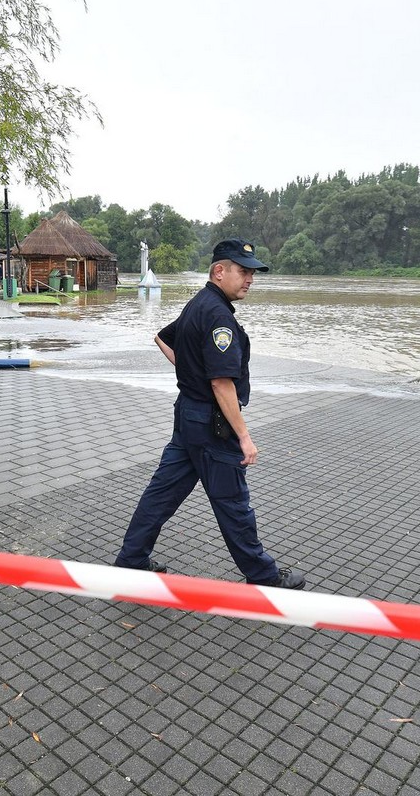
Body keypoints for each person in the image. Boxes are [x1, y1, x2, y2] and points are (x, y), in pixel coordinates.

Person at [114, 239, 305, 590]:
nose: (250, 279)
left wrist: (190, 373)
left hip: (188, 417)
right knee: (233, 503)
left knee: (161, 493)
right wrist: (244, 437)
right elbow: (221, 383)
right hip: (212, 426)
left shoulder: (198, 304)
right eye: (243, 271)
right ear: (220, 271)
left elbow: (162, 337)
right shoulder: (218, 316)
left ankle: (131, 560)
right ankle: (264, 577)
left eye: (252, 273)